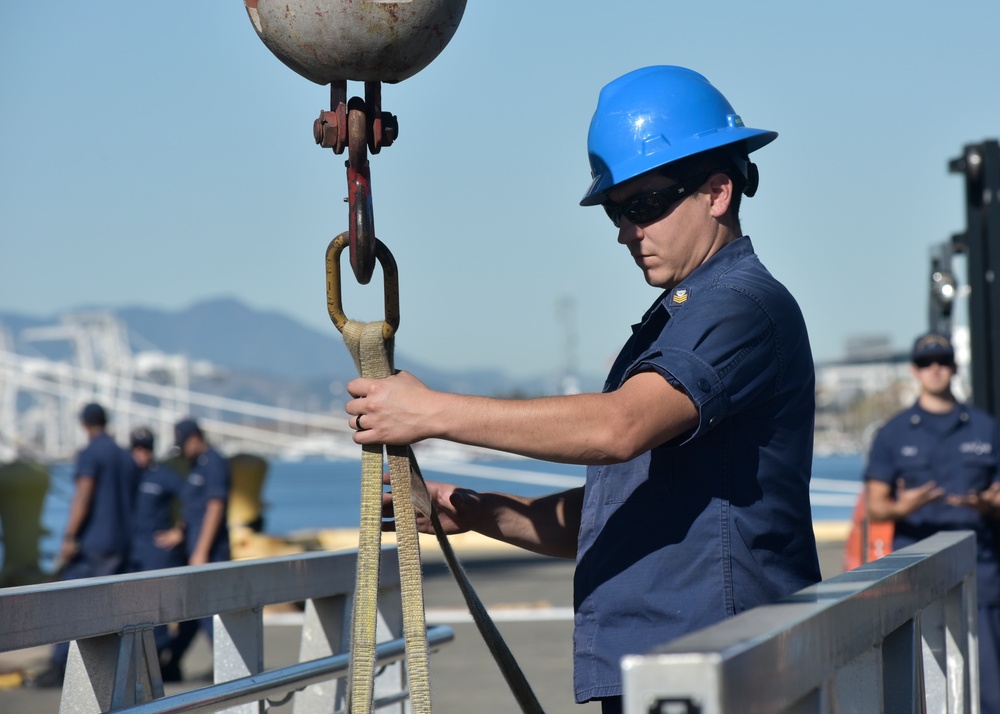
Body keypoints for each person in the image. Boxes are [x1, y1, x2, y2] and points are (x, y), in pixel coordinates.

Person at [345, 65, 821, 712]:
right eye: (618, 213)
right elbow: (629, 511)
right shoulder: (684, 317)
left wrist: (428, 413)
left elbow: (614, 429)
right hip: (680, 671)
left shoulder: (738, 306)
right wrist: (477, 511)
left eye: (646, 206)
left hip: (716, 672)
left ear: (717, 192)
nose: (628, 231)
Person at [865, 331, 1000, 714]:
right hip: (915, 577)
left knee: (990, 692)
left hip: (981, 576)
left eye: (942, 361)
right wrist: (904, 506)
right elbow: (877, 508)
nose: (935, 369)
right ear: (915, 371)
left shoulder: (986, 428)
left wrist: (988, 504)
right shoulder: (892, 434)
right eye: (926, 363)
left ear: (954, 368)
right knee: (918, 690)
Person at [27, 402, 136, 688]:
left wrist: (69, 536)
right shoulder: (124, 455)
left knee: (68, 599)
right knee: (111, 605)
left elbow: (83, 495)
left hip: (94, 543)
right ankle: (113, 669)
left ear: (84, 424)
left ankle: (60, 665)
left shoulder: (91, 453)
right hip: (121, 541)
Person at [161, 417, 231, 677]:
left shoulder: (214, 463)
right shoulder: (196, 465)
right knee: (192, 612)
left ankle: (228, 663)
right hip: (193, 549)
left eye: (184, 444)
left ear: (195, 438)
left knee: (207, 611)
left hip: (210, 552)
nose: (182, 451)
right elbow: (192, 507)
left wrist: (201, 551)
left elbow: (215, 506)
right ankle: (171, 664)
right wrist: (179, 532)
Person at [126, 426, 187, 680]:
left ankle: (160, 663)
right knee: (131, 610)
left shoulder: (162, 476)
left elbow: (192, 498)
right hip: (130, 553)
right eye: (137, 448)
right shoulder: (125, 475)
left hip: (156, 552)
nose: (142, 454)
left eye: (147, 448)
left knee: (156, 611)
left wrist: (179, 532)